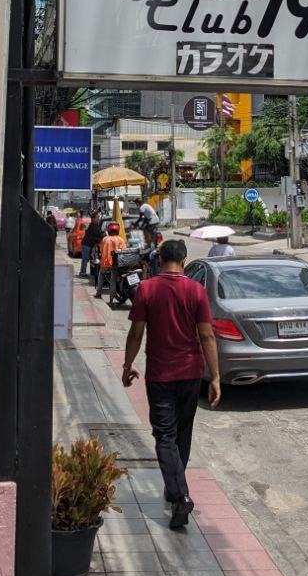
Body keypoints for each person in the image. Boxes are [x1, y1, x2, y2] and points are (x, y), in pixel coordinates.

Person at [122, 239, 221, 528]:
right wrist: (215, 377)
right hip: (191, 373)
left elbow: (136, 333)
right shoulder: (196, 290)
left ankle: (179, 495)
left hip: (160, 375)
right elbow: (207, 336)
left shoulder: (147, 289)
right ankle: (176, 489)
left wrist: (128, 365)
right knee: (182, 434)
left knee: (165, 436)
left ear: (159, 260)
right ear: (184, 259)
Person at [94, 221, 127, 303]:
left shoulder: (105, 239)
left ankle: (98, 293)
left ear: (109, 230)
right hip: (116, 263)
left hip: (105, 262)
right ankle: (111, 301)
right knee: (113, 281)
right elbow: (124, 252)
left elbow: (101, 250)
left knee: (101, 274)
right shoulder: (121, 240)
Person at [80, 211, 104, 279]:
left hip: (88, 245)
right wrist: (101, 236)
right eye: (97, 217)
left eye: (98, 217)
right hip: (86, 245)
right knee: (85, 259)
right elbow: (96, 235)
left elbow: (98, 234)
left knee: (87, 259)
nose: (98, 218)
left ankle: (83, 272)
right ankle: (82, 273)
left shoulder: (95, 225)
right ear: (93, 219)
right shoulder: (92, 226)